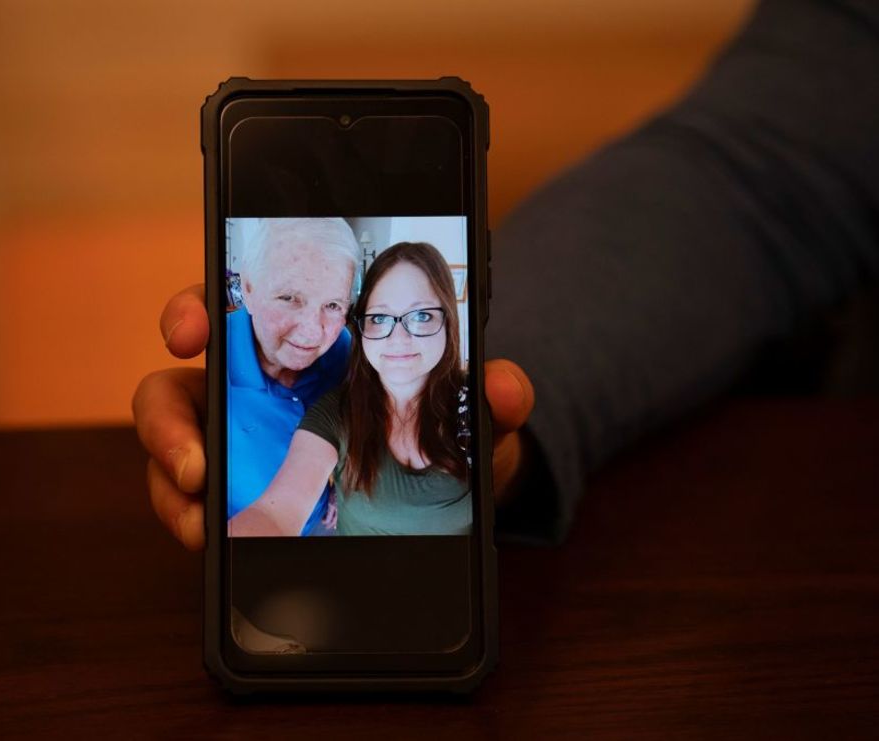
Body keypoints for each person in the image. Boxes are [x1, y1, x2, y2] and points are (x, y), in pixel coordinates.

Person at [134, 0, 879, 549]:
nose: (320, 330)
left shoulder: (376, 386)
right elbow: (752, 175)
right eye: (378, 318)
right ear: (245, 287)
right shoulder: (343, 399)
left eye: (341, 305)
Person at [230, 242, 472, 536]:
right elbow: (277, 512)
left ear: (448, 321)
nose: (398, 338)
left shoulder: (473, 400)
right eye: (379, 318)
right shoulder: (336, 411)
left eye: (421, 316)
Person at [222, 218, 360, 535]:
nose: (313, 332)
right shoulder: (215, 358)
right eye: (289, 298)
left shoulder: (341, 348)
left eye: (333, 305)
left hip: (321, 522)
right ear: (248, 288)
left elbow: (352, 423)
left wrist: (342, 485)